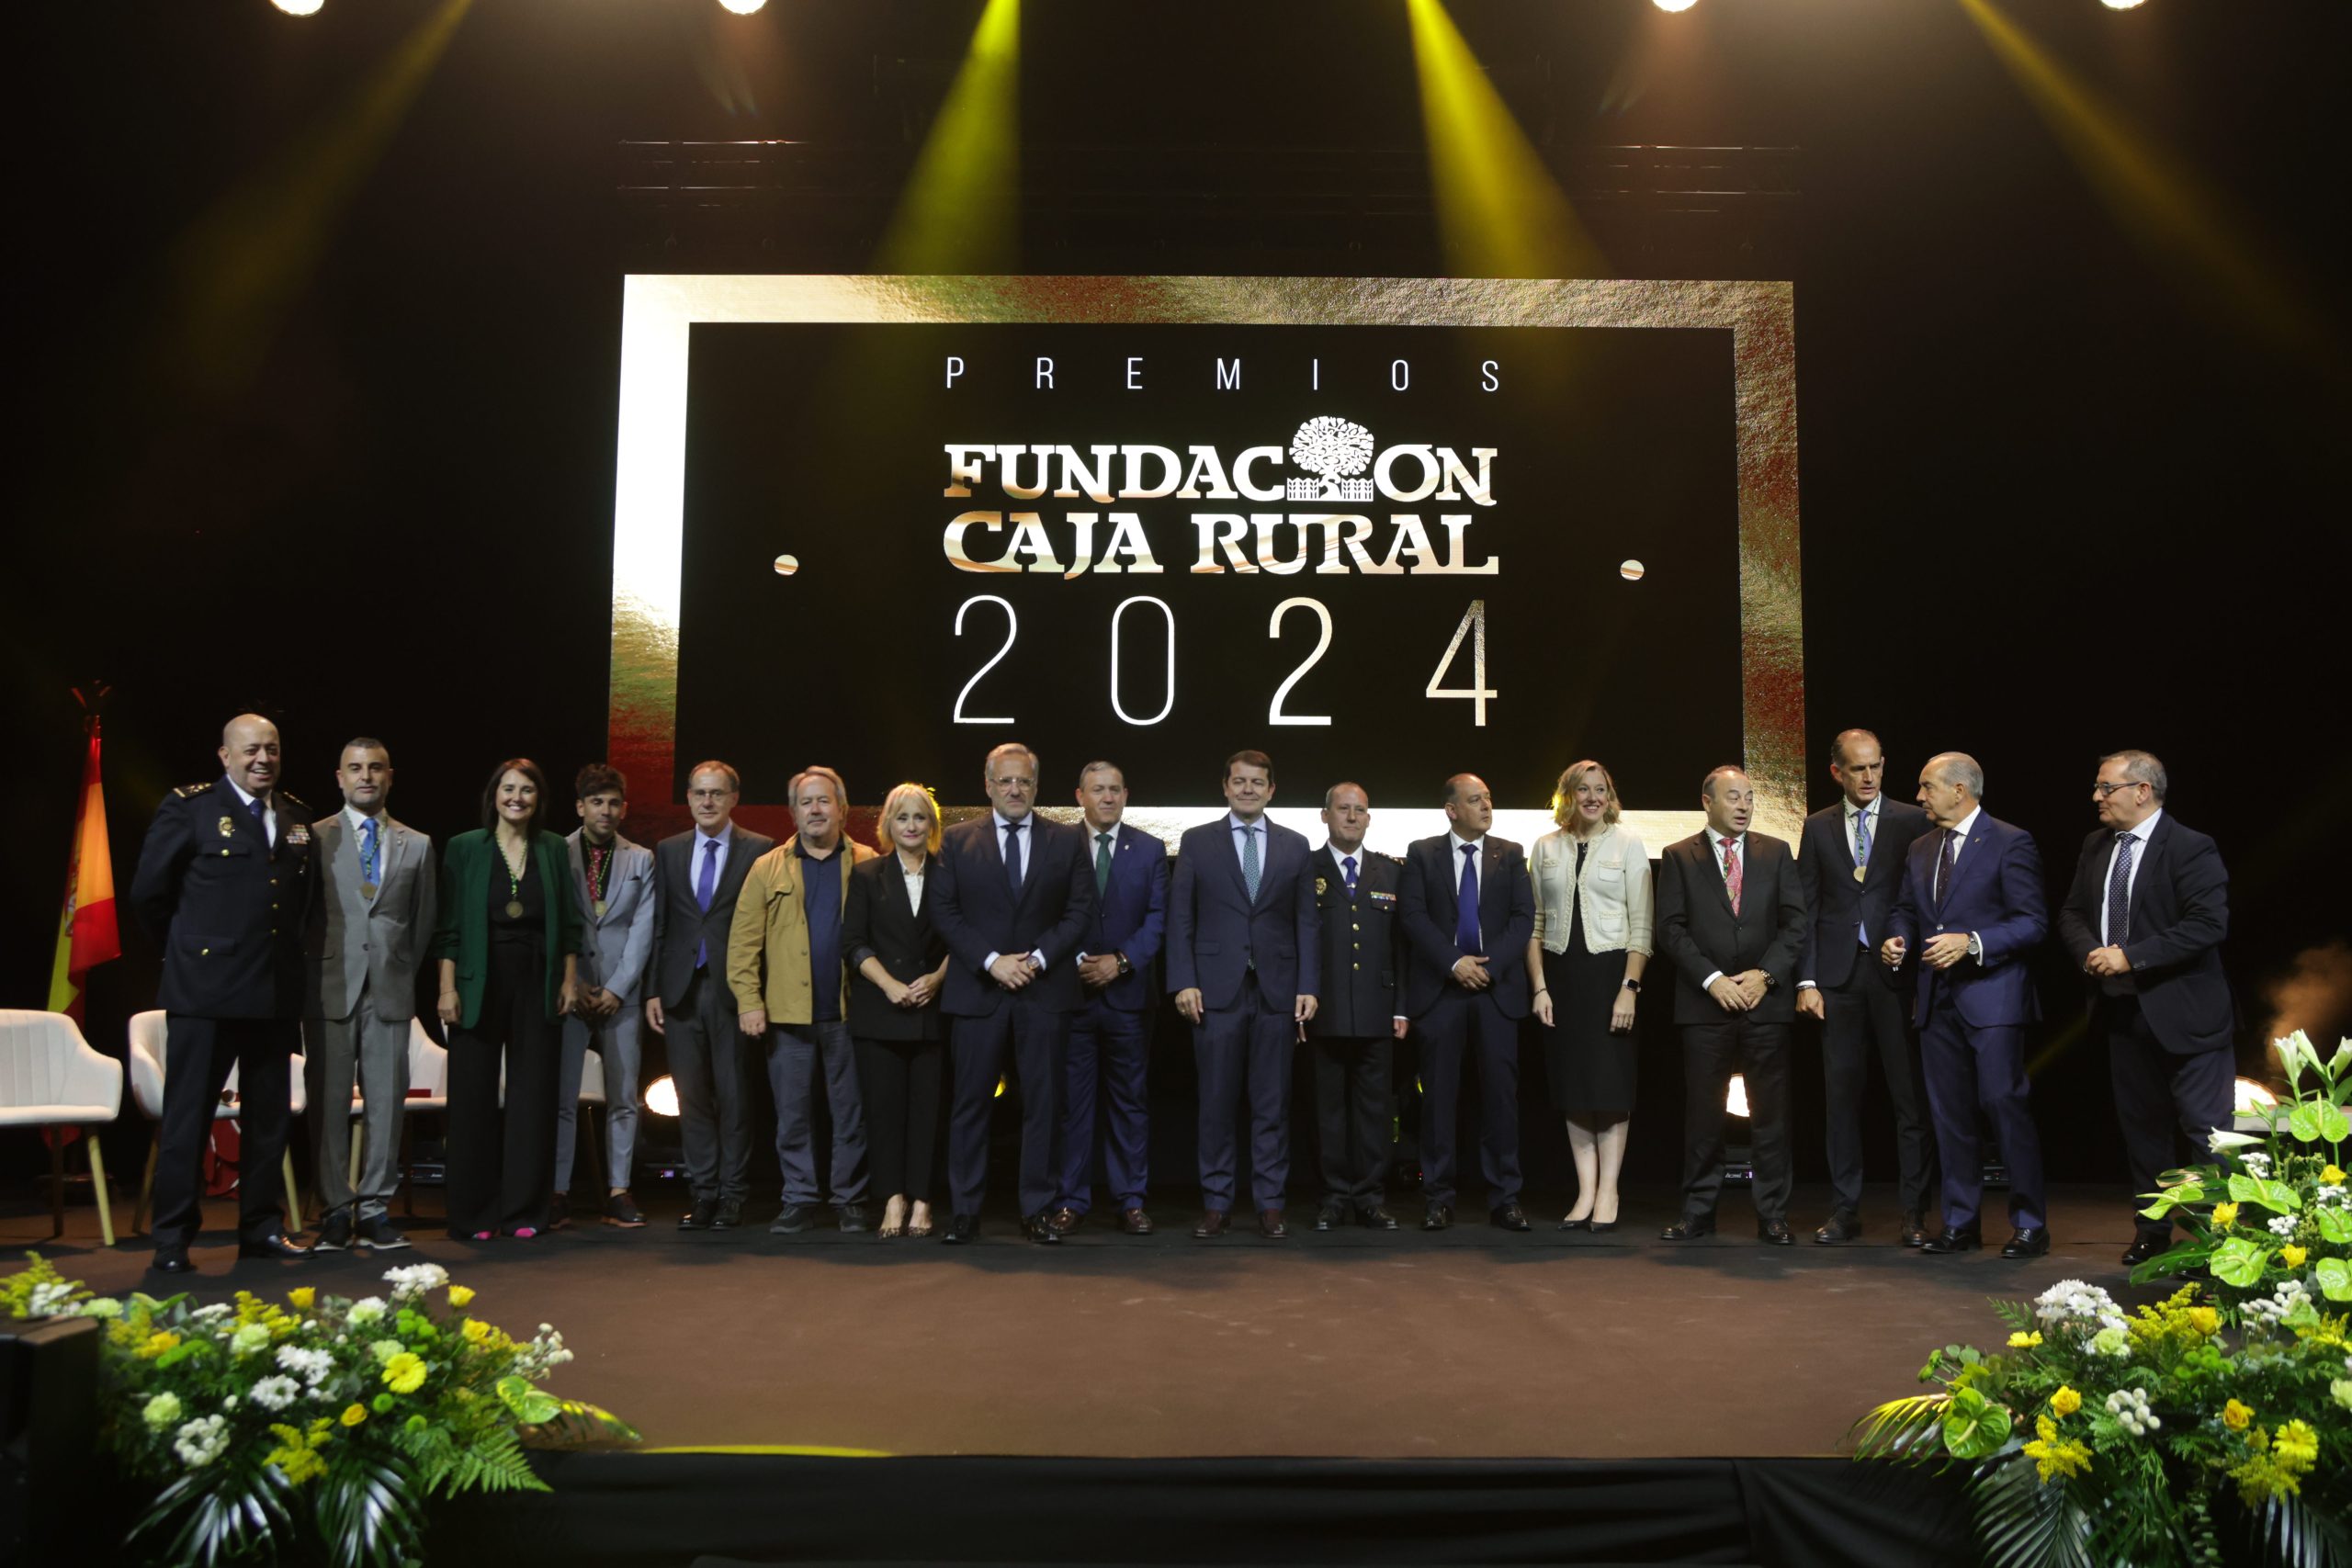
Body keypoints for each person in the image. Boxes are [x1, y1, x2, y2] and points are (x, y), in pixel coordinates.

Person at [130, 713, 318, 1274]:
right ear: (225, 756)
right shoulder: (190, 808)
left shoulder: (297, 816)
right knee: (189, 1119)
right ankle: (172, 1240)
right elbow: (148, 895)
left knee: (268, 1121)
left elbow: (302, 904)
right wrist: (191, 950)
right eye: (252, 750)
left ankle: (261, 1228)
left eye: (273, 750)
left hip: (274, 992)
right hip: (205, 994)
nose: (264, 759)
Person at [2055, 750, 2234, 1268]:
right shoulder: (2096, 846)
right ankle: (2152, 1232)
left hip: (2188, 1018)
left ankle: (2210, 1243)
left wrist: (2129, 956)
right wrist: (2092, 952)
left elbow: (2207, 925)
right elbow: (2069, 913)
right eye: (2096, 787)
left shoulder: (2190, 847)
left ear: (2142, 791)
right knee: (2143, 1135)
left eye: (2105, 787)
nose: (2096, 797)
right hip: (2122, 1015)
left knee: (2206, 1135)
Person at [1883, 751, 2051, 1259]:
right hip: (1936, 1000)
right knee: (1949, 1115)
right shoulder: (1919, 848)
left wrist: (1972, 940)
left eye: (1927, 786)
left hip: (1993, 998)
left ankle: (2029, 1224)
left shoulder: (2009, 841)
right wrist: (1897, 940)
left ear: (1960, 790)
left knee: (2004, 1106)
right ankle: (1960, 1222)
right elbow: (1905, 911)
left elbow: (2032, 921)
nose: (1919, 796)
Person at [930, 743, 1094, 1245]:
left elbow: (1079, 912)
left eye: (1024, 781)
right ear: (988, 785)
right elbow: (945, 912)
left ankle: (1036, 1208)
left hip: (1044, 992)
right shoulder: (956, 841)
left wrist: (1037, 959)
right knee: (970, 1105)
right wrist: (992, 961)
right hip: (978, 991)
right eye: (1005, 781)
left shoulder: (1066, 840)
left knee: (1043, 1105)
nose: (1015, 789)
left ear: (1036, 786)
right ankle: (964, 1211)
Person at [1169, 750, 1320, 1240]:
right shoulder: (1196, 842)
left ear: (1272, 790)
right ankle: (1216, 1203)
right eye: (1240, 782)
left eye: (1258, 782)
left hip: (1276, 992)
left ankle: (1270, 1204)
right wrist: (1182, 980)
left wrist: (1308, 986)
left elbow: (1306, 923)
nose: (1248, 789)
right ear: (1226, 787)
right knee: (1215, 1103)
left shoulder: (1296, 846)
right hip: (1214, 992)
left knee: (1272, 1104)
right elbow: (1181, 919)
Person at [1793, 730, 1937, 1247]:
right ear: (1837, 772)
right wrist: (1806, 979)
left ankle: (1914, 1214)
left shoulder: (1912, 820)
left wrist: (1912, 947)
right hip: (1837, 979)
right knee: (1841, 1099)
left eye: (1876, 766)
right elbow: (1806, 908)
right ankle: (1843, 1209)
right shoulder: (1817, 827)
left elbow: (1926, 898)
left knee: (1909, 1101)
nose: (1870, 777)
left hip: (1895, 975)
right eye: (1858, 769)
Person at [1654, 765, 1807, 1246]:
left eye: (1749, 797)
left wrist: (1765, 976)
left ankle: (1773, 1215)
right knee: (1704, 1115)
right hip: (1706, 1006)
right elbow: (1670, 929)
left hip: (1766, 1002)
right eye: (1733, 797)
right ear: (1708, 801)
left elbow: (1795, 924)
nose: (1743, 806)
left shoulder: (1777, 852)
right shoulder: (1679, 856)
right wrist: (1713, 979)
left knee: (1771, 1116)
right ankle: (1698, 1211)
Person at [433, 758, 583, 1241]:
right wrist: (447, 988)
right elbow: (450, 927)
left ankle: (524, 1212)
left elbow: (571, 925)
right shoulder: (464, 848)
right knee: (472, 1100)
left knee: (533, 1098)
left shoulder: (555, 848)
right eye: (508, 788)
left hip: (538, 981)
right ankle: (475, 1214)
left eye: (528, 790)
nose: (517, 797)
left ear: (539, 799)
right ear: (493, 794)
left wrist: (568, 981)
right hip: (479, 982)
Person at [729, 765, 877, 1235]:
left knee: (849, 1115)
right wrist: (749, 1002)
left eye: (824, 801)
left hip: (850, 1013)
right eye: (806, 802)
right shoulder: (766, 867)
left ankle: (850, 1199)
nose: (815, 810)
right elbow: (742, 944)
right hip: (786, 1016)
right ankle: (798, 1199)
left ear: (842, 808)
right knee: (792, 1115)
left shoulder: (869, 861)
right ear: (793, 811)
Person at [306, 737, 434, 1253]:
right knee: (329, 1102)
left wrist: (398, 966)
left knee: (386, 1103)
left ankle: (376, 1206)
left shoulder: (418, 843)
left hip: (390, 987)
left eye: (375, 768)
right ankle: (336, 1207)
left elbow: (423, 922)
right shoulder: (314, 838)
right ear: (339, 777)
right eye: (355, 768)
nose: (365, 776)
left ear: (390, 776)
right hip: (330, 986)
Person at [1397, 773, 1535, 1233]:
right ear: (1452, 810)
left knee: (1501, 1098)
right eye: (1475, 800)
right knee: (1437, 1099)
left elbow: (1523, 919)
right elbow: (1412, 916)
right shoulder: (1422, 853)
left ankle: (1506, 1198)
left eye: (1489, 799)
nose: (1486, 806)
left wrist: (1487, 968)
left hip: (1496, 993)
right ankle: (1438, 1197)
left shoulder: (1511, 854)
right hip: (1441, 992)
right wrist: (1455, 963)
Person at [647, 761, 775, 1232]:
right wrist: (653, 989)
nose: (707, 802)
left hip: (734, 990)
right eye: (699, 793)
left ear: (733, 798)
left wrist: (756, 994)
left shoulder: (760, 849)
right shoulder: (669, 849)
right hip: (680, 990)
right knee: (692, 1097)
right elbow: (660, 925)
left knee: (736, 1095)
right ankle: (702, 1193)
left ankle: (733, 1196)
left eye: (716, 793)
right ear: (688, 797)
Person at [1526, 760, 1651, 1234]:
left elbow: (1642, 925)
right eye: (1584, 789)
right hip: (1562, 977)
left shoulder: (1628, 843)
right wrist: (1539, 987)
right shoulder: (1545, 847)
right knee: (1574, 1087)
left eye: (1601, 789)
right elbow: (1534, 926)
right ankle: (1584, 1191)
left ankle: (1609, 1190)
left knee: (1610, 1087)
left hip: (1610, 977)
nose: (1593, 797)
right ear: (1568, 795)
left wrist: (1629, 989)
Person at [1051, 761, 1170, 1236]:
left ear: (1126, 795)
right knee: (1072, 1104)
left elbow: (1158, 919)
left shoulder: (1150, 848)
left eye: (1115, 790)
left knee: (1129, 1102)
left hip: (1129, 996)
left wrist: (1118, 962)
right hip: (1072, 993)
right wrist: (1080, 958)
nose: (1107, 797)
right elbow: (1050, 910)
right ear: (1079, 795)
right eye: (1098, 790)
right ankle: (1070, 1200)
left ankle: (1131, 1200)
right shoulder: (1059, 845)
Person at [845, 783, 953, 1238]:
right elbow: (852, 943)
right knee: (884, 1111)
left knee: (929, 1112)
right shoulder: (868, 875)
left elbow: (962, 936)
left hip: (934, 1010)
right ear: (888, 824)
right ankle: (892, 1200)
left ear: (931, 825)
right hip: (880, 1011)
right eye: (902, 817)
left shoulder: (950, 873)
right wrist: (889, 986)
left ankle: (923, 1202)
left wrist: (938, 978)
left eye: (919, 817)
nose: (911, 826)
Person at [557, 763, 657, 1229]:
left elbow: (644, 929)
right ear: (580, 807)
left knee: (623, 1097)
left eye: (614, 802)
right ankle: (558, 1189)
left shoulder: (642, 859)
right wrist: (572, 982)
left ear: (625, 808)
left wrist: (619, 987)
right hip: (571, 991)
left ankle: (619, 1190)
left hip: (623, 994)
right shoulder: (557, 853)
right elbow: (554, 924)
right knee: (563, 1096)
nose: (607, 810)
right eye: (597, 801)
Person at [1305, 782, 1405, 1231]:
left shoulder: (1391, 872)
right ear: (1324, 816)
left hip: (1376, 1010)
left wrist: (1401, 1007)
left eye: (1359, 810)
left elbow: (1402, 948)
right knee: (1327, 1110)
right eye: (1342, 809)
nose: (1351, 817)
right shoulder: (1304, 869)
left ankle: (1368, 1196)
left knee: (1374, 1112)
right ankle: (1331, 1197)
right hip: (1322, 1011)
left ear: (1369, 818)